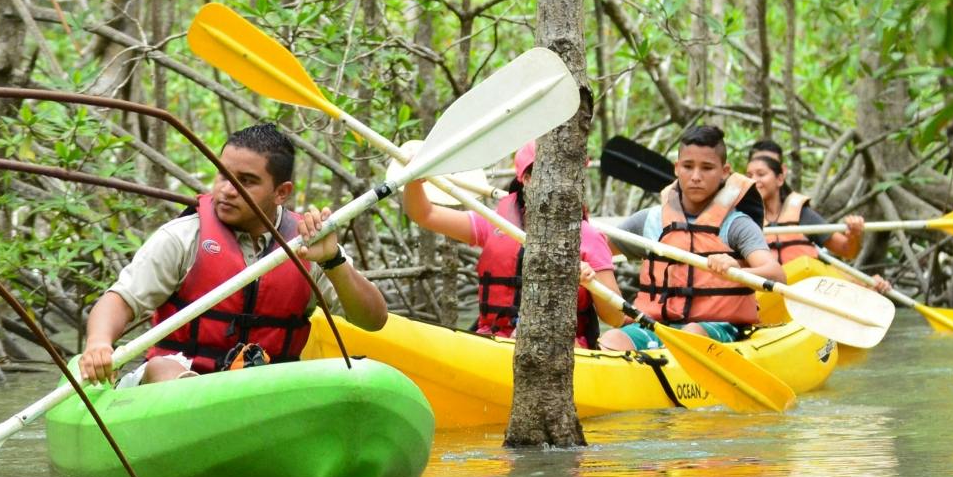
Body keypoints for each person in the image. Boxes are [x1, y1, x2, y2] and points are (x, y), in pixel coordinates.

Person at [79, 123, 389, 385]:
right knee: (163, 367)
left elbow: (373, 319)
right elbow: (119, 301)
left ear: (281, 192)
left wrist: (333, 261)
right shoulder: (184, 237)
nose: (227, 190)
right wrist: (98, 344)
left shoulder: (307, 244)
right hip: (174, 384)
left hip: (265, 389)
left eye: (247, 181)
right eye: (223, 175)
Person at [401, 138, 625, 345]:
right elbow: (425, 215)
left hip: (561, 348)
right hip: (494, 340)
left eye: (570, 175)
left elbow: (615, 317)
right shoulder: (497, 224)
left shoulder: (589, 237)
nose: (562, 183)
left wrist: (588, 282)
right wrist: (414, 180)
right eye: (550, 174)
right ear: (526, 180)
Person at [596, 124, 791, 353]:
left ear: (725, 171)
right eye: (688, 167)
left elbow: (777, 275)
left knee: (692, 333)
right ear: (677, 168)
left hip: (717, 328)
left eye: (707, 168)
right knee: (612, 338)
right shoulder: (649, 220)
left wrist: (736, 267)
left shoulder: (737, 225)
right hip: (657, 326)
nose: (696, 176)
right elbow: (599, 250)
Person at [745, 151, 866, 262]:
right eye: (749, 176)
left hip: (802, 283)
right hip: (765, 285)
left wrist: (854, 235)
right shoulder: (744, 218)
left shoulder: (801, 214)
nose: (753, 180)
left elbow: (847, 251)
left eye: (761, 174)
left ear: (780, 179)